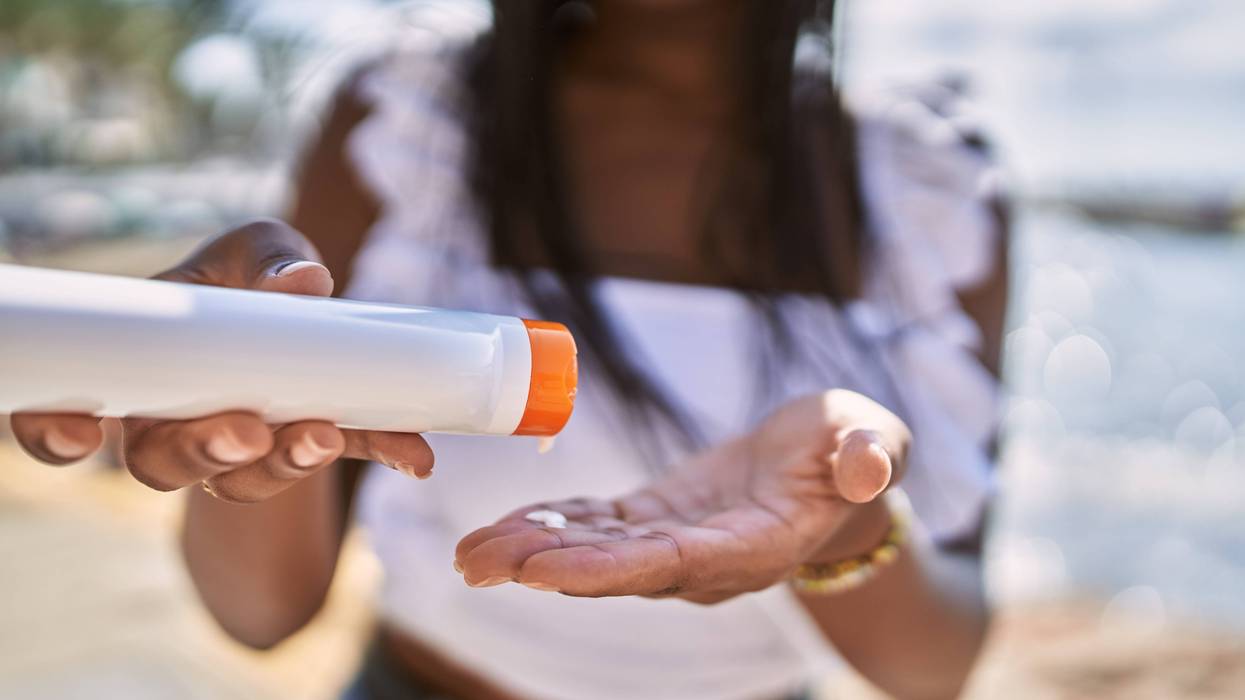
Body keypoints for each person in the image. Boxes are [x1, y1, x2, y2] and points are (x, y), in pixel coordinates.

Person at [11, 1, 1008, 698]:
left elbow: (936, 669)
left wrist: (842, 524)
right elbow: (260, 613)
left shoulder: (923, 185)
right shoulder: (408, 123)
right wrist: (250, 408)